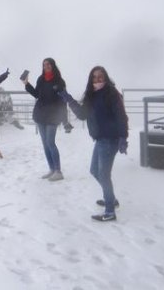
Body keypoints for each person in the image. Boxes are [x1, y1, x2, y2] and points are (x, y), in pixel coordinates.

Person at [59, 66, 128, 221]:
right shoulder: (92, 95)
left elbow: (121, 117)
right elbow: (82, 115)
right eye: (94, 77)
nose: (97, 79)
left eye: (100, 76)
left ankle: (110, 211)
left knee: (103, 175)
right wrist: (69, 99)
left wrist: (123, 137)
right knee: (95, 171)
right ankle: (111, 200)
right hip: (100, 139)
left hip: (111, 139)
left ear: (106, 77)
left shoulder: (112, 94)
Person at [23, 58, 67, 181]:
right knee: (45, 144)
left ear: (53, 65)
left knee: (50, 143)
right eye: (44, 65)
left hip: (53, 116)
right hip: (40, 115)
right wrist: (27, 84)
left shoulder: (59, 81)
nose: (46, 66)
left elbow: (63, 101)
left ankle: (58, 171)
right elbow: (37, 94)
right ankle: (52, 169)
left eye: (48, 64)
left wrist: (65, 120)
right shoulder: (41, 79)